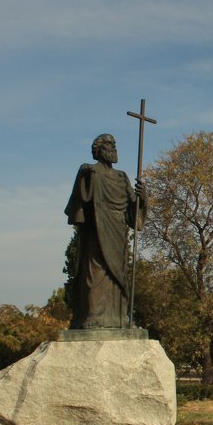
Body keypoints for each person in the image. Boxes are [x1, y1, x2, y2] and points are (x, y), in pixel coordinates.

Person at [64, 134, 146, 329]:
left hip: (118, 231)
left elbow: (132, 211)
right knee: (96, 271)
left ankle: (119, 318)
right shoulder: (91, 172)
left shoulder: (121, 177)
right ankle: (92, 316)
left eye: (115, 145)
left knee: (117, 274)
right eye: (109, 146)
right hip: (97, 228)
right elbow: (80, 200)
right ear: (98, 150)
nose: (114, 149)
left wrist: (143, 198)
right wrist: (83, 176)